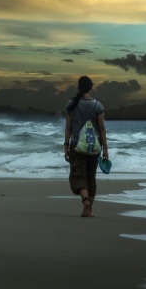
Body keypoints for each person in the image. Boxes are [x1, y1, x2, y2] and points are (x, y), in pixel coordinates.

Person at [63, 76, 108, 217]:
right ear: (90, 88)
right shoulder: (98, 106)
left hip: (77, 146)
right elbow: (101, 128)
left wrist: (66, 145)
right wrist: (105, 148)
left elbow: (68, 128)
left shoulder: (71, 104)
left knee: (77, 176)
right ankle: (89, 210)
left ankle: (85, 200)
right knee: (91, 178)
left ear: (78, 87)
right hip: (94, 148)